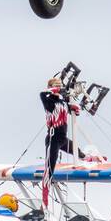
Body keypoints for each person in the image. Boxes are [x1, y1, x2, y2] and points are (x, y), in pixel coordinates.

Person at [38, 75, 81, 212]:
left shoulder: (62, 103)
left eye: (61, 84)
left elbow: (70, 107)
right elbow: (42, 93)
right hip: (53, 139)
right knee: (49, 170)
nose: (61, 86)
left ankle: (88, 158)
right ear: (51, 86)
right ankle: (44, 204)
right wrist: (55, 90)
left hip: (63, 139)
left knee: (78, 152)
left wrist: (74, 107)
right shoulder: (48, 101)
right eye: (57, 84)